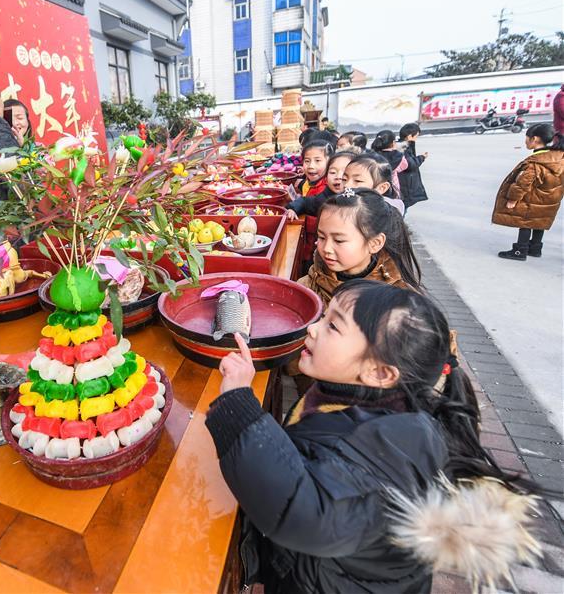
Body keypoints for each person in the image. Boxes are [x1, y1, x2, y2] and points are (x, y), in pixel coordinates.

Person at [207, 280, 542, 593]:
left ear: (379, 373)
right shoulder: (348, 395)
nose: (313, 329)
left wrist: (238, 405)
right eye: (324, 317)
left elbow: (306, 511)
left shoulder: (394, 446)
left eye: (332, 326)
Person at [298, 188, 420, 306]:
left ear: (375, 243)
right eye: (321, 237)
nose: (326, 249)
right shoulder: (307, 287)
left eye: (339, 240)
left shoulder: (399, 301)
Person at [492, 122, 564, 261]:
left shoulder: (536, 162)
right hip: (551, 199)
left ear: (535, 139)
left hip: (533, 198)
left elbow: (523, 183)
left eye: (527, 138)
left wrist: (513, 199)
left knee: (525, 222)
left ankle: (520, 250)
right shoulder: (559, 158)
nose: (525, 141)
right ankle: (535, 248)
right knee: (540, 221)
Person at [285, 151, 354, 221]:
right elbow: (304, 201)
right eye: (333, 172)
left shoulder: (361, 202)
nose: (338, 177)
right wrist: (292, 209)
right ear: (326, 177)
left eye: (344, 173)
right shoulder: (324, 198)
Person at [397, 122, 429, 209]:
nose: (416, 139)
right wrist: (422, 157)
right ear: (409, 136)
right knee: (402, 208)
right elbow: (410, 164)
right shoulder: (403, 148)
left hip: (404, 185)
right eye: (416, 136)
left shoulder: (401, 145)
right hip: (405, 186)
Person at [371, 130, 407, 199]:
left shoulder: (371, 155)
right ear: (393, 143)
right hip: (392, 189)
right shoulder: (398, 156)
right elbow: (405, 166)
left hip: (374, 187)